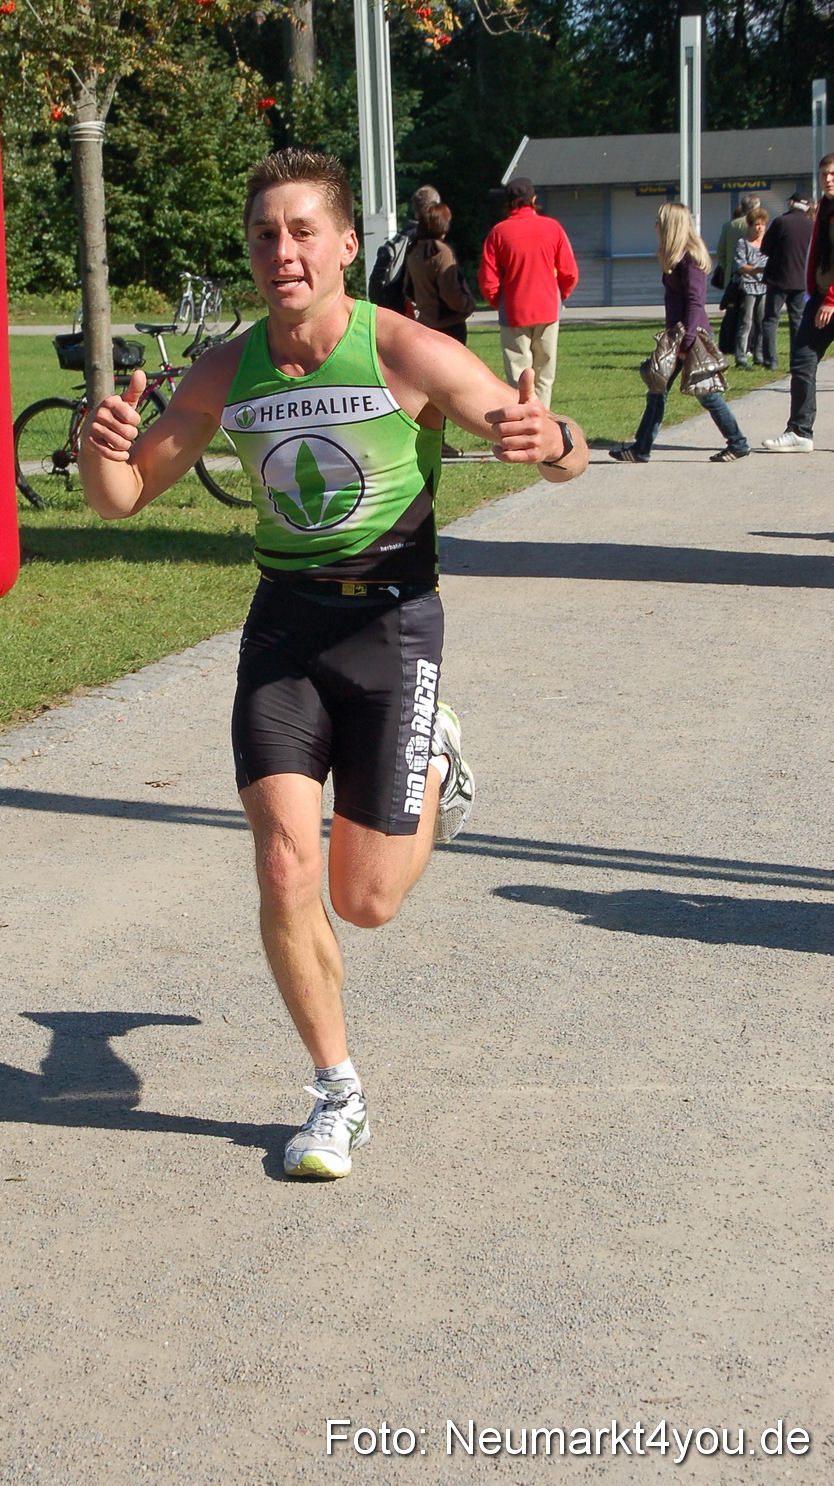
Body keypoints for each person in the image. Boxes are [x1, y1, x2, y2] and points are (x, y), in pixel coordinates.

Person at [80, 148, 588, 1180]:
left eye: (304, 230)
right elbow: (122, 499)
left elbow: (554, 444)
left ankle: (437, 760)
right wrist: (103, 444)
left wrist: (553, 435)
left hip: (392, 632)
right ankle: (335, 1090)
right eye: (265, 234)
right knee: (279, 858)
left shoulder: (404, 351)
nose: (284, 251)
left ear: (346, 246)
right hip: (284, 633)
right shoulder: (225, 368)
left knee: (364, 902)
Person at [610, 201, 751, 464]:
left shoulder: (690, 260)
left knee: (707, 394)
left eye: (658, 222)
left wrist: (685, 345)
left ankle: (738, 443)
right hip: (676, 338)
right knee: (657, 389)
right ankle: (641, 448)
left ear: (670, 226)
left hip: (690, 339)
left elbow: (695, 304)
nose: (655, 226)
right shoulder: (675, 258)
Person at [477, 175, 578, 409]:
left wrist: (499, 302)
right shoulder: (552, 228)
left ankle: (522, 421)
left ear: (508, 202)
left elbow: (487, 279)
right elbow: (569, 272)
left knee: (519, 376)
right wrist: (559, 295)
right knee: (544, 375)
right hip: (547, 307)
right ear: (533, 198)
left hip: (514, 311)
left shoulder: (498, 233)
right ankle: (542, 421)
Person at [763, 153, 834, 453]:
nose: (828, 179)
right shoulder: (824, 208)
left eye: (833, 173)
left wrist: (830, 299)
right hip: (819, 298)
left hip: (829, 300)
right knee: (803, 360)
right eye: (823, 174)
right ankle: (800, 431)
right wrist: (813, 293)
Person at [404, 201, 475, 343]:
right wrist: (468, 304)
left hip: (425, 322)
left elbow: (409, 288)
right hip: (448, 324)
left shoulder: (414, 250)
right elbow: (450, 291)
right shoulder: (441, 252)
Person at [366, 184, 441, 314]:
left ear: (414, 208)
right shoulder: (426, 240)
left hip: (392, 306)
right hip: (414, 312)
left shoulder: (400, 238)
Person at [759, 192, 812, 370]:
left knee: (771, 319)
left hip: (778, 279)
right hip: (801, 280)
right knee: (797, 320)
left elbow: (765, 248)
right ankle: (796, 360)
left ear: (791, 203)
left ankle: (770, 361)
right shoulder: (811, 226)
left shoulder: (780, 222)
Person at [714, 193, 762, 355]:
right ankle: (748, 347)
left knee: (732, 313)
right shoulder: (756, 227)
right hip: (753, 277)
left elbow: (720, 252)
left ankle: (727, 345)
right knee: (751, 315)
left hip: (732, 277)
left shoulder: (730, 226)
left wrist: (728, 267)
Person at [732, 206, 768, 368]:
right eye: (756, 224)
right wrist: (757, 270)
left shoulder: (768, 243)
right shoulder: (742, 243)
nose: (759, 228)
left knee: (762, 322)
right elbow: (740, 266)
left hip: (765, 286)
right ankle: (741, 357)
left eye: (762, 224)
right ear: (750, 225)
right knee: (746, 322)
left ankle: (759, 355)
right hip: (748, 286)